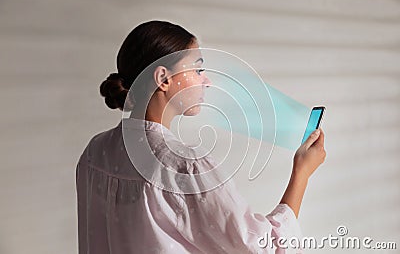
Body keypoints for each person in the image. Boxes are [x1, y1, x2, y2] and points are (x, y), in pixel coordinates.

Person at [76, 20, 326, 254]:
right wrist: (301, 173)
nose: (206, 80)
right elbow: (263, 247)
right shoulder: (183, 166)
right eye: (198, 68)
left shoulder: (95, 152)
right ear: (163, 78)